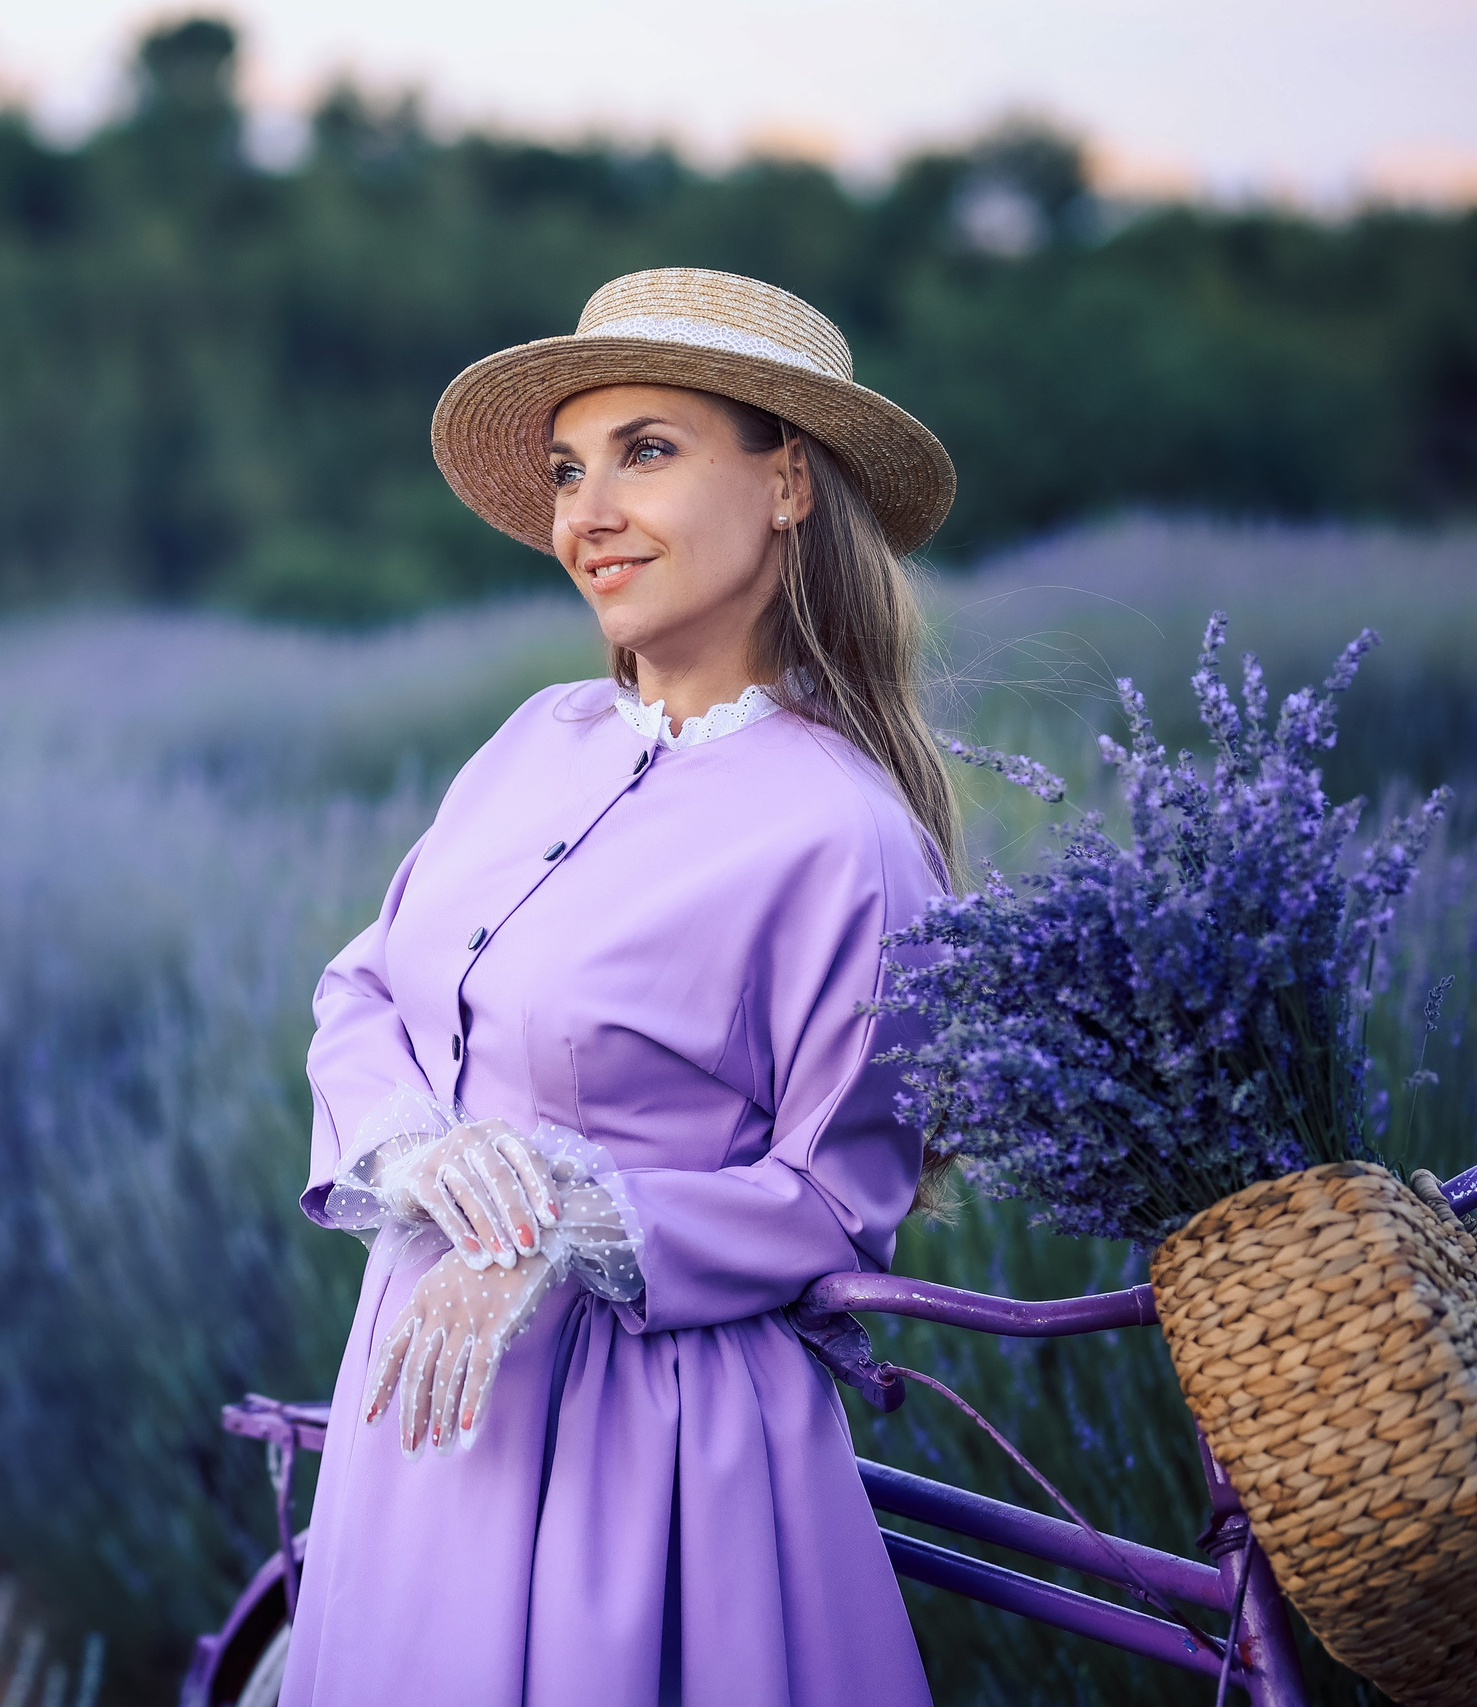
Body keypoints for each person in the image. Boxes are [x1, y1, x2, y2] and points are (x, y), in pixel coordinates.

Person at [277, 268, 960, 1707]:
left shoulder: (846, 835)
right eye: (569, 469)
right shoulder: (538, 737)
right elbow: (366, 991)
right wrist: (432, 1148)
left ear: (788, 485)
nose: (584, 514)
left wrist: (565, 1224)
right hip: (422, 1410)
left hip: (647, 1460)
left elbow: (842, 1203)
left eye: (648, 451)